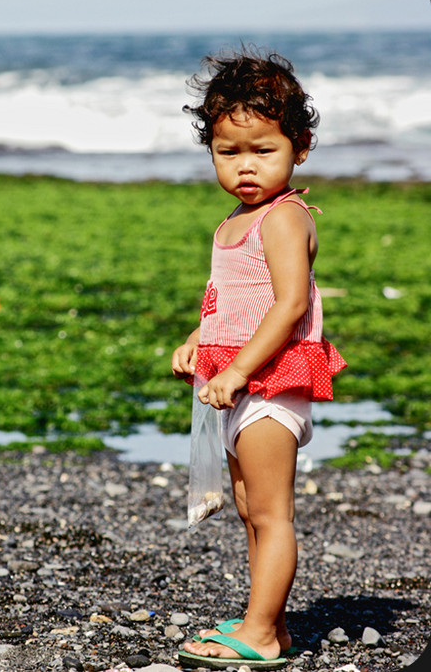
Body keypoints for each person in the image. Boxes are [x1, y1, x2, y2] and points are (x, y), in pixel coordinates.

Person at [170, 48, 347, 670]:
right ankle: (262, 619)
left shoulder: (284, 217)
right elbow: (230, 301)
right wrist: (199, 340)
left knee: (272, 513)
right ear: (211, 151)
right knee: (249, 508)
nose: (246, 167)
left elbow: (291, 303)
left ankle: (264, 634)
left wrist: (241, 369)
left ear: (298, 146)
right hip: (238, 380)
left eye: (263, 150)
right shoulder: (235, 220)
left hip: (272, 383)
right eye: (229, 152)